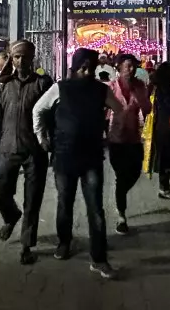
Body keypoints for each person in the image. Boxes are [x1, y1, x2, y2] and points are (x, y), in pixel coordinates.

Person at [32, 48, 122, 278]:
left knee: (96, 209)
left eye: (90, 66)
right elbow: (38, 110)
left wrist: (112, 134)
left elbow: (119, 110)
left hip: (91, 156)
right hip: (64, 155)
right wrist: (42, 139)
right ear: (75, 66)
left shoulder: (101, 90)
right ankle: (64, 242)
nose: (86, 69)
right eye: (83, 66)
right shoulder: (60, 88)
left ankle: (99, 258)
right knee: (65, 202)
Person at [0, 40, 53, 265]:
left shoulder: (43, 84)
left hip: (35, 151)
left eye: (24, 56)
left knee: (32, 200)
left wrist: (50, 143)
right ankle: (11, 216)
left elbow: (52, 116)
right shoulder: (3, 85)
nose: (20, 61)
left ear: (32, 58)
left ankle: (26, 245)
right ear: (11, 59)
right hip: (7, 149)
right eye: (16, 57)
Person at [107, 53, 151, 234]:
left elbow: (147, 109)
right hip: (116, 139)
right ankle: (121, 216)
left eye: (134, 66)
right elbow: (103, 112)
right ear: (118, 67)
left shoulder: (140, 86)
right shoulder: (110, 88)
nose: (132, 69)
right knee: (120, 175)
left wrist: (141, 97)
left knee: (133, 173)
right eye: (128, 66)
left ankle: (120, 195)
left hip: (134, 138)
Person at [148, 62, 170, 199]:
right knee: (165, 157)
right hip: (164, 125)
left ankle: (165, 187)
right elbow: (169, 105)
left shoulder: (158, 86)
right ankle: (163, 188)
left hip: (162, 125)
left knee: (165, 157)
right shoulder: (164, 88)